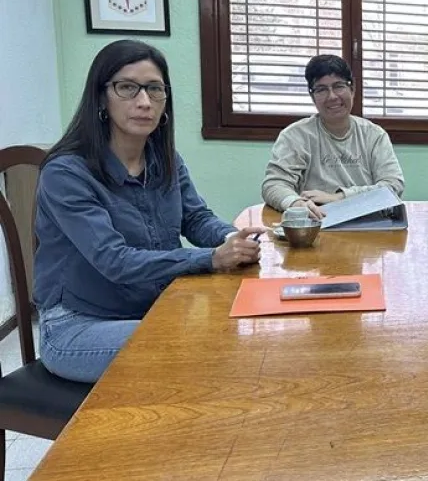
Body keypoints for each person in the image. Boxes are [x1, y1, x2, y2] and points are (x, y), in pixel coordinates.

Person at [33, 40, 266, 383]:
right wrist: (212, 258)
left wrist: (235, 239)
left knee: (244, 330)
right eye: (127, 88)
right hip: (77, 325)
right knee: (202, 352)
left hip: (150, 311)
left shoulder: (166, 160)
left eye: (154, 89)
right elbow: (114, 260)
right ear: (101, 97)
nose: (144, 102)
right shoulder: (66, 172)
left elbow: (196, 218)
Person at [261, 54, 404, 218]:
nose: (332, 97)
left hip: (366, 222)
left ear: (353, 89)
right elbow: (273, 184)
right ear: (312, 96)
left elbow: (393, 186)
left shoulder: (374, 135)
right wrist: (296, 203)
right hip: (316, 222)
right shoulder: (295, 136)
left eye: (339, 86)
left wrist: (339, 197)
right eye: (321, 89)